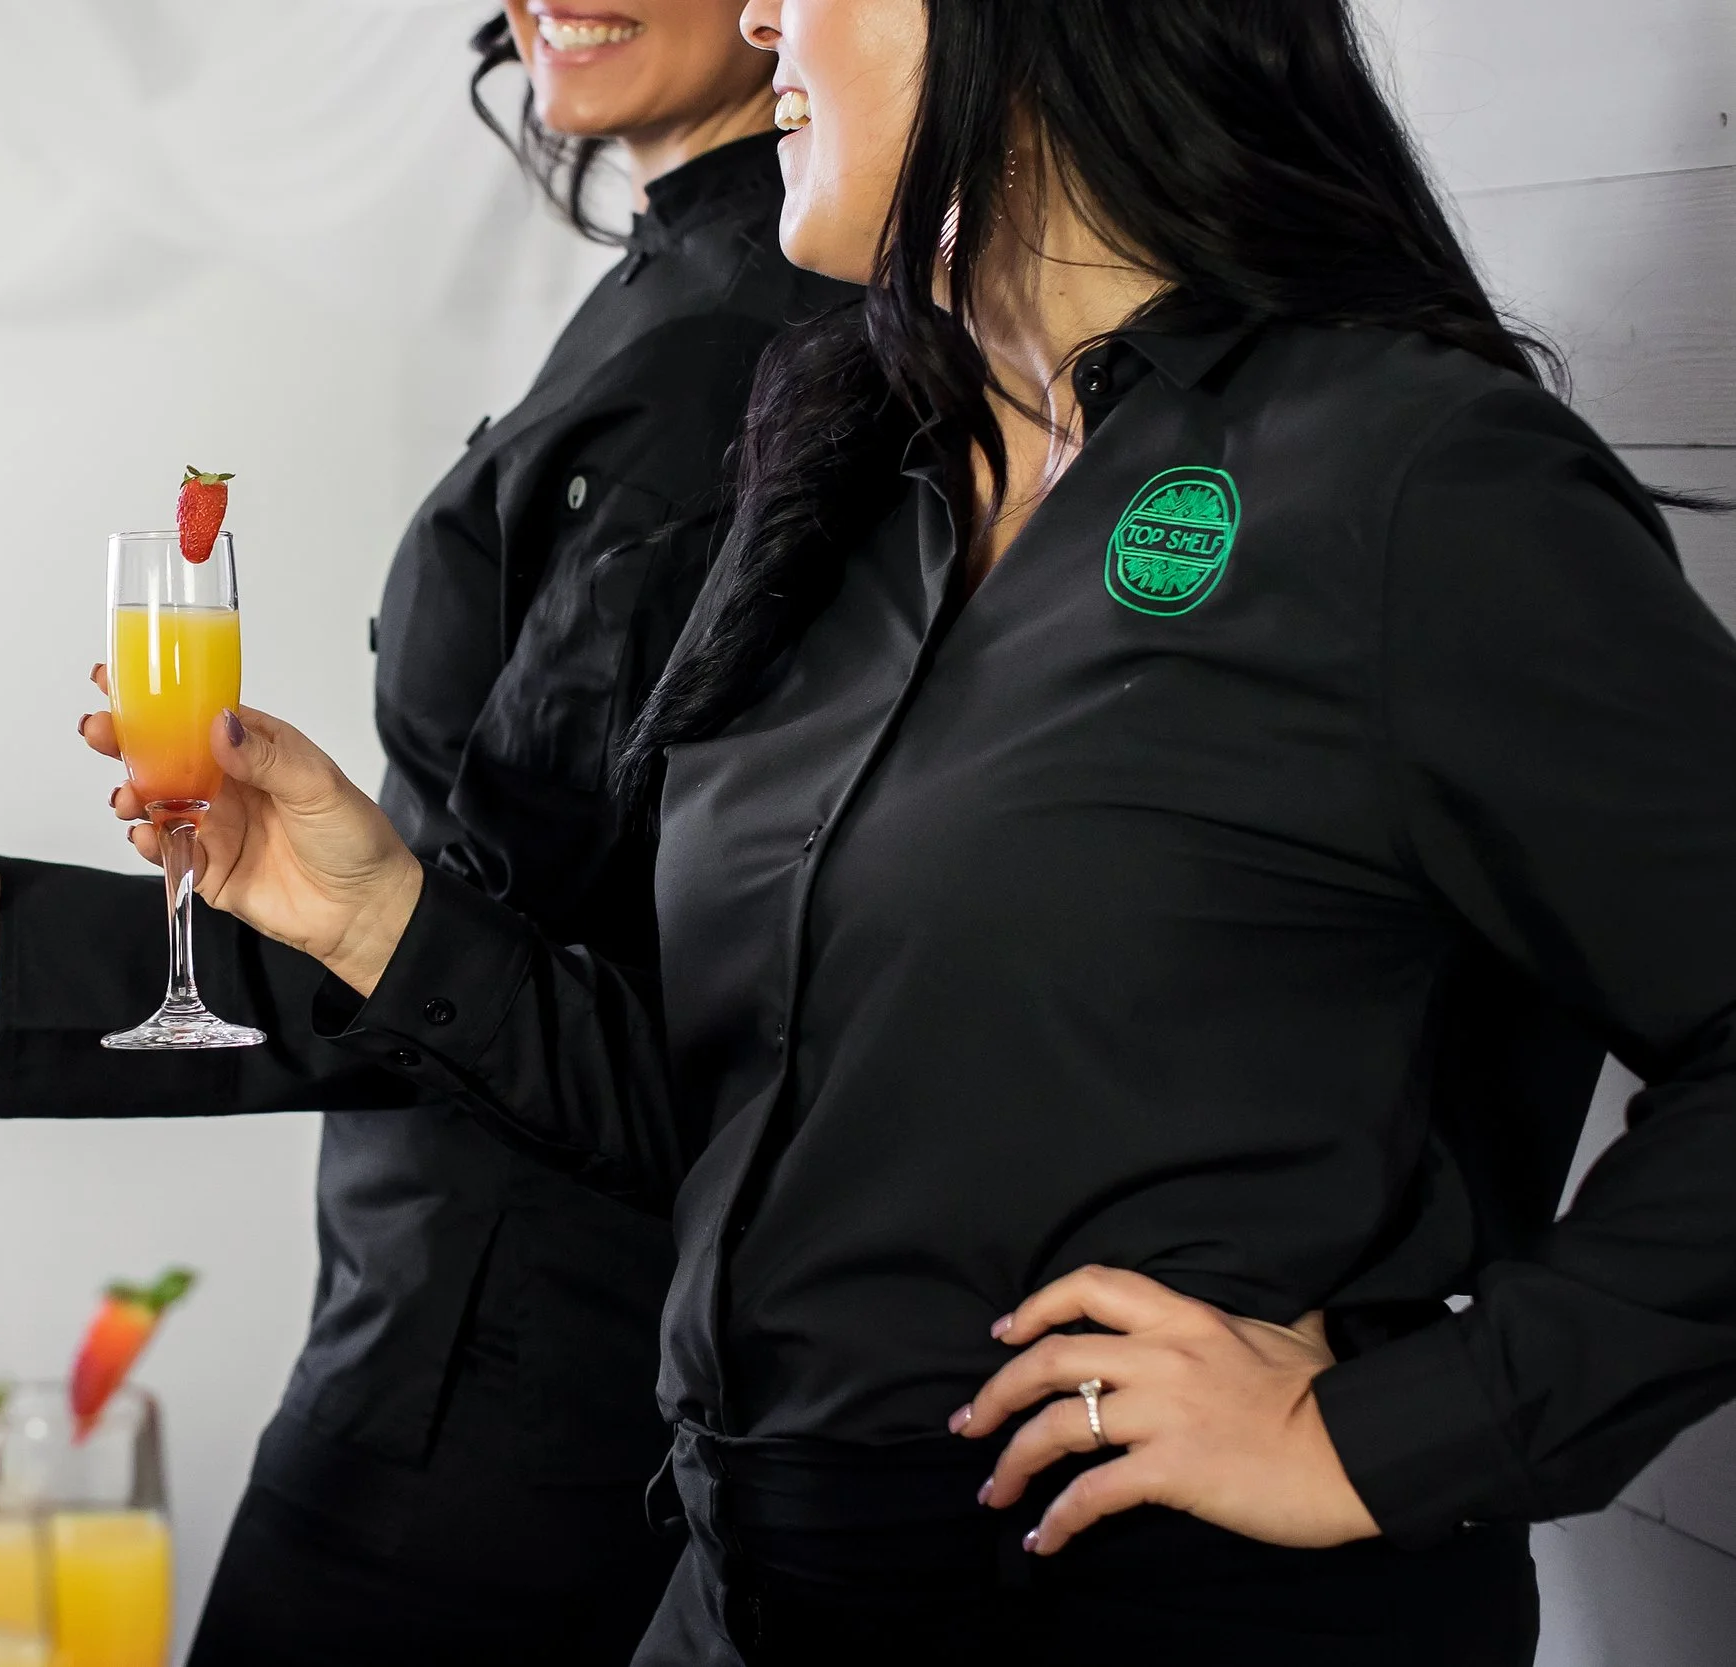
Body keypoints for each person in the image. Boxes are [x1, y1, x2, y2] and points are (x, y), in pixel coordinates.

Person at [95, 1, 1736, 1663]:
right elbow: (752, 1125)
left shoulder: (1407, 478)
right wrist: (375, 916)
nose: (756, 14)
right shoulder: (853, 472)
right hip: (748, 1596)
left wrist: (1387, 1430)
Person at [0, 5, 850, 1663]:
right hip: (480, 1320)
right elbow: (442, 949)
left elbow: (495, 983)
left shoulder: (730, 349)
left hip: (508, 1369)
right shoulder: (687, 297)